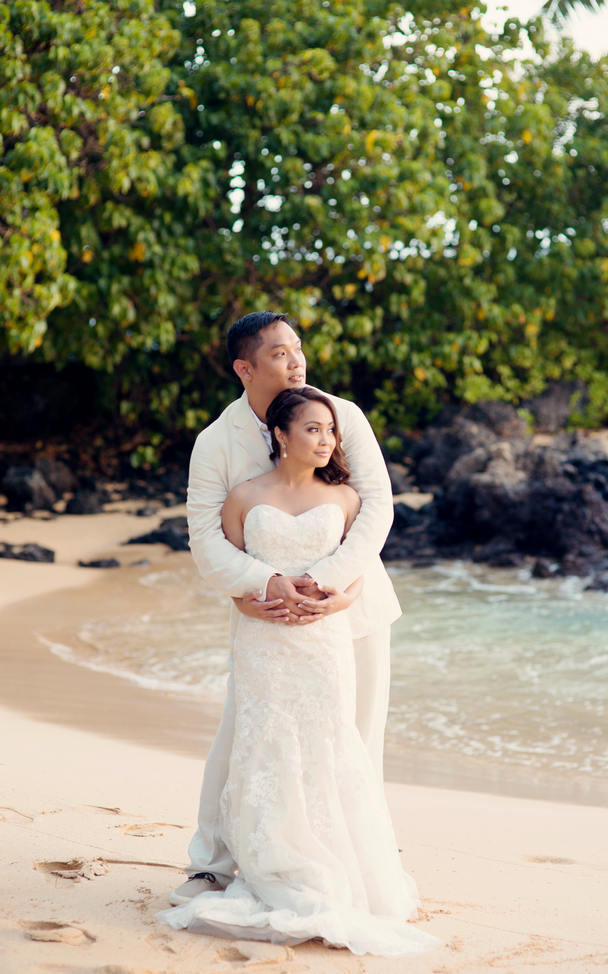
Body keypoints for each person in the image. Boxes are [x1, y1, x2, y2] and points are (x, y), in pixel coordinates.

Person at [159, 388, 437, 954]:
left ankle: (343, 859)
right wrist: (254, 595)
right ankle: (256, 863)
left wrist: (334, 598)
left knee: (335, 739)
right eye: (314, 430)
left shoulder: (346, 494)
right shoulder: (238, 488)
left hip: (325, 635)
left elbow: (363, 553)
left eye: (330, 432)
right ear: (280, 435)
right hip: (263, 638)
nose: (328, 439)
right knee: (262, 744)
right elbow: (225, 563)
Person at [172, 311, 401, 902]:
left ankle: (354, 855)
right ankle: (215, 862)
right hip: (265, 616)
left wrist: (325, 582)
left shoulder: (341, 415)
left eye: (297, 349)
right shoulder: (216, 442)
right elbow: (205, 536)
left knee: (354, 733)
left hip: (350, 605)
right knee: (246, 735)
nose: (296, 360)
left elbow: (376, 507)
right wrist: (266, 583)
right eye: (279, 353)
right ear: (245, 368)